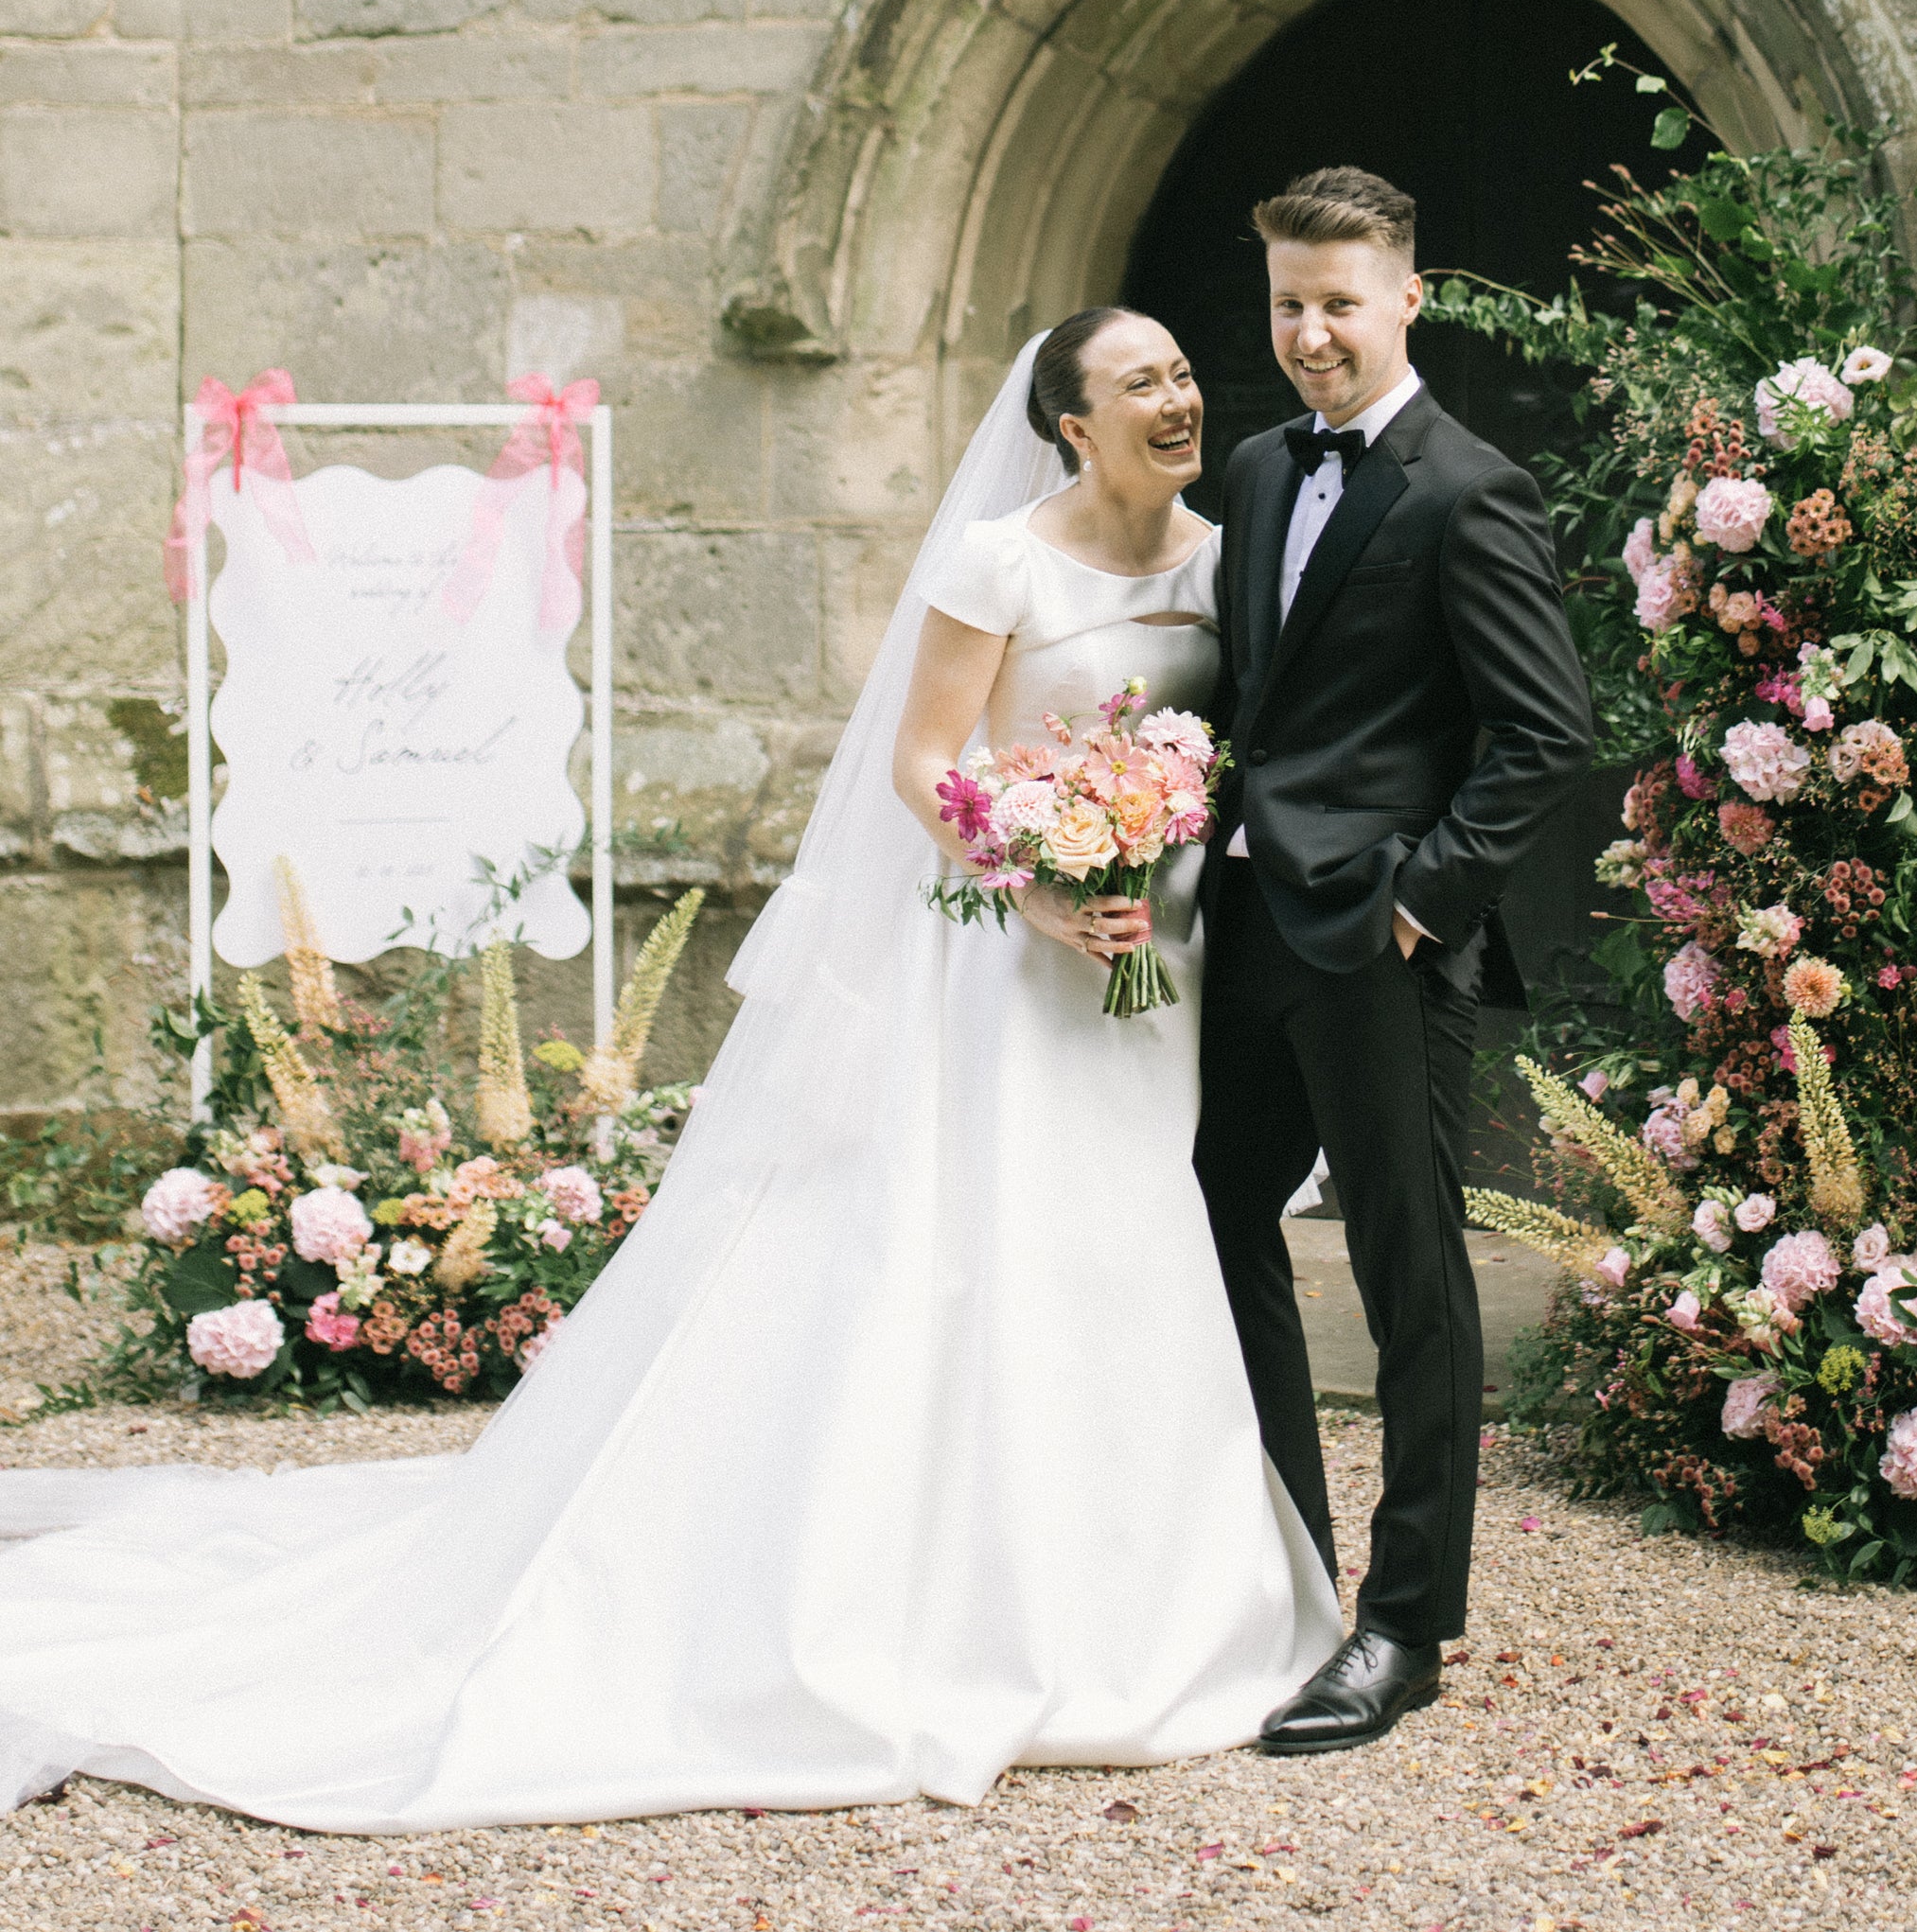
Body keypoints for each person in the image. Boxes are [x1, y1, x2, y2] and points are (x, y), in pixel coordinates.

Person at [0, 317, 1336, 1829]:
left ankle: (1145, 1588)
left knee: (1129, 1242)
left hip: (1154, 963)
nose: (1179, 397)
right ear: (1072, 424)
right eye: (1141, 382)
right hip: (1013, 960)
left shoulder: (1226, 557)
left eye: (1181, 374)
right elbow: (925, 760)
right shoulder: (998, 561)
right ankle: (967, 1605)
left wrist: (1146, 857)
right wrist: (1031, 881)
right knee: (990, 1245)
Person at [1195, 166, 1596, 1756]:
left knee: (1407, 1270)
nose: (1310, 333)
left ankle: (1403, 1624)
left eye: (1338, 304)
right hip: (1239, 928)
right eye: (1287, 304)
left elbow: (1544, 731)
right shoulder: (1251, 467)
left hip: (1378, 943)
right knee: (1214, 1221)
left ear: (1406, 298)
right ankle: (1288, 1563)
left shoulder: (1467, 489)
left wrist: (1420, 904)